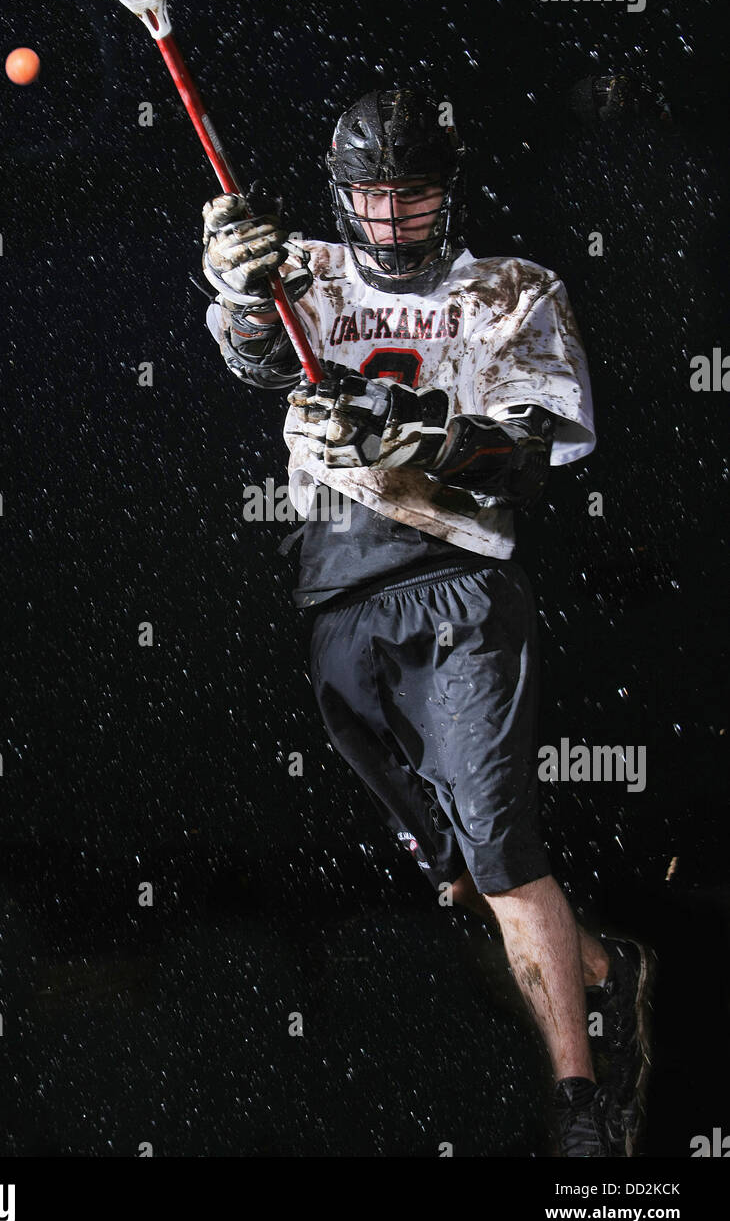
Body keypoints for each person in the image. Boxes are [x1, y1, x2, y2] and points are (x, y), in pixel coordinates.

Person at [201, 86, 655, 1157]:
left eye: (411, 197)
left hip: (457, 578)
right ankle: (601, 967)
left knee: (498, 846)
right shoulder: (302, 268)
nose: (390, 219)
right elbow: (256, 356)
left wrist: (407, 430)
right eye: (371, 197)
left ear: (446, 194)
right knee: (451, 866)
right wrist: (237, 289)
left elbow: (538, 448)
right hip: (331, 582)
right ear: (339, 194)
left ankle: (581, 1104)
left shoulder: (511, 291)